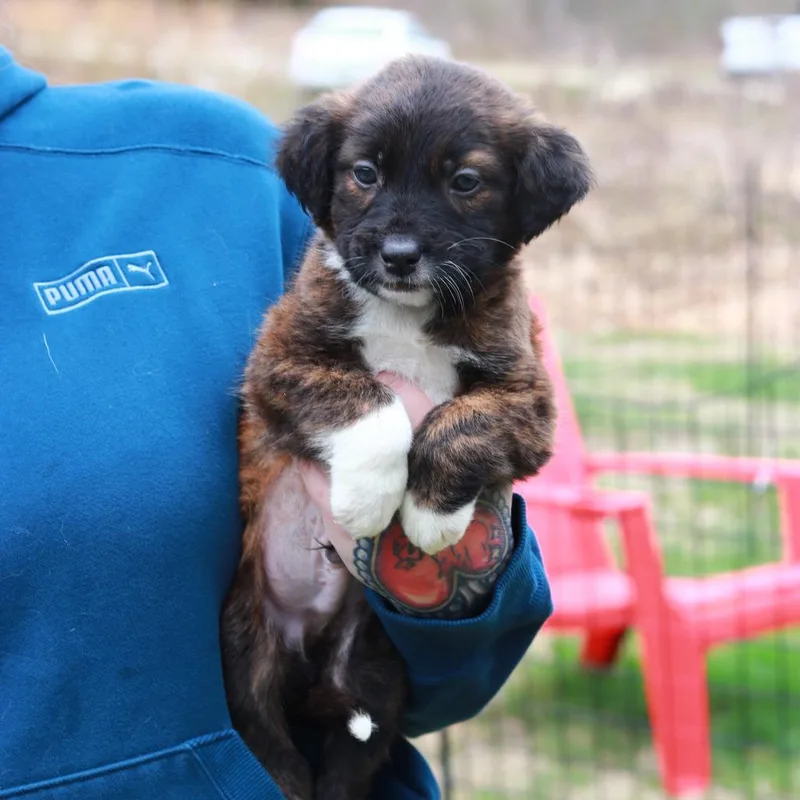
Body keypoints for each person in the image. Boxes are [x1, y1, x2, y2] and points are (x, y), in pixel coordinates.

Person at [0, 45, 553, 799]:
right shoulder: (320, 223)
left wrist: (442, 517)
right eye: (366, 177)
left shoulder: (221, 161)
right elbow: (282, 374)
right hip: (256, 677)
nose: (399, 235)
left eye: (462, 184)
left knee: (363, 720)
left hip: (359, 680)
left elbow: (465, 664)